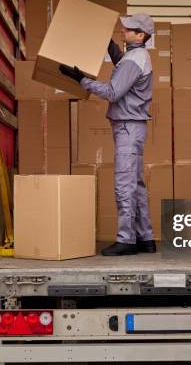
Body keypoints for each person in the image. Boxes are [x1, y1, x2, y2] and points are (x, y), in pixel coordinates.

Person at [59, 13, 155, 256]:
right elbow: (121, 63)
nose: (123, 32)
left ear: (140, 35)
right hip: (132, 127)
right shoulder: (135, 56)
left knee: (125, 185)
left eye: (128, 30)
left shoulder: (136, 60)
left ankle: (126, 240)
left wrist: (82, 80)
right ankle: (146, 238)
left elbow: (113, 92)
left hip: (128, 128)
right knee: (137, 185)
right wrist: (107, 43)